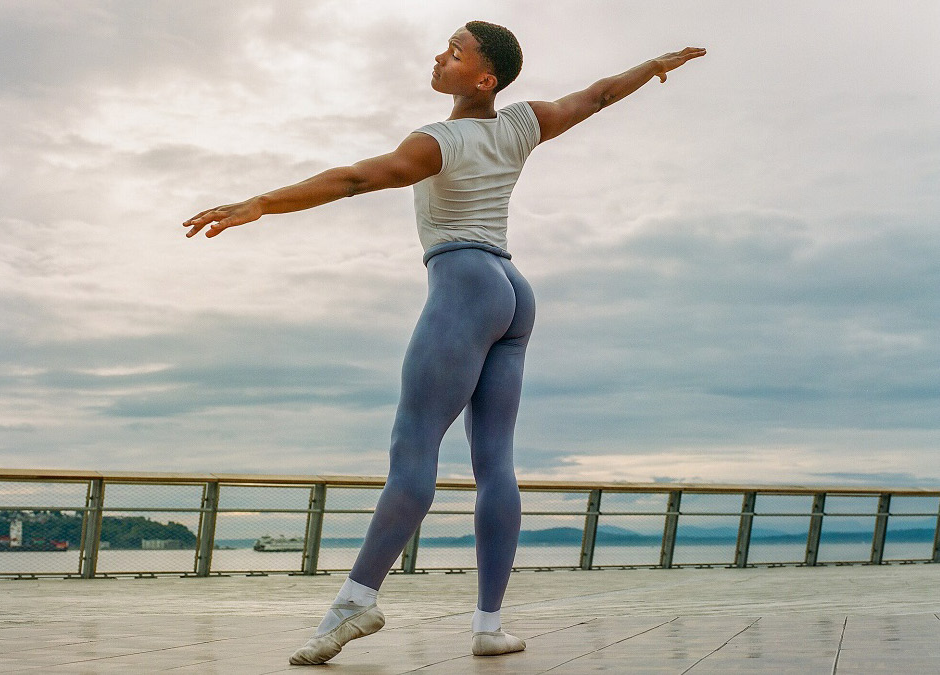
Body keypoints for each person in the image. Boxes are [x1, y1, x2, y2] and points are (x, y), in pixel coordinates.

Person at [183, 20, 705, 666]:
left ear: (484, 79)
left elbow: (355, 179)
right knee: (495, 465)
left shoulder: (439, 142)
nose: (440, 56)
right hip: (513, 292)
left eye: (455, 53)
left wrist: (261, 202)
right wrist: (650, 64)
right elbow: (595, 97)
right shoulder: (522, 124)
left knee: (413, 451)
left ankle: (356, 600)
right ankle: (488, 623)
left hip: (463, 285)